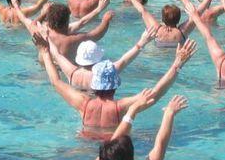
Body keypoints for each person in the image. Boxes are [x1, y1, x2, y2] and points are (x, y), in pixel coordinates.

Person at [34, 31, 195, 139]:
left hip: (83, 142)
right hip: (113, 147)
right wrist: (177, 65)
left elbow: (56, 81)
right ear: (115, 85)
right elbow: (156, 93)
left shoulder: (83, 104)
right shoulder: (121, 107)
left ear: (95, 85)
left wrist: (45, 51)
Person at [47, 26, 158, 90]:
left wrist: (46, 37)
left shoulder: (72, 73)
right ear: (98, 58)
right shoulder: (105, 74)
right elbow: (124, 60)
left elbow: (57, 55)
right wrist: (142, 42)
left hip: (81, 112)